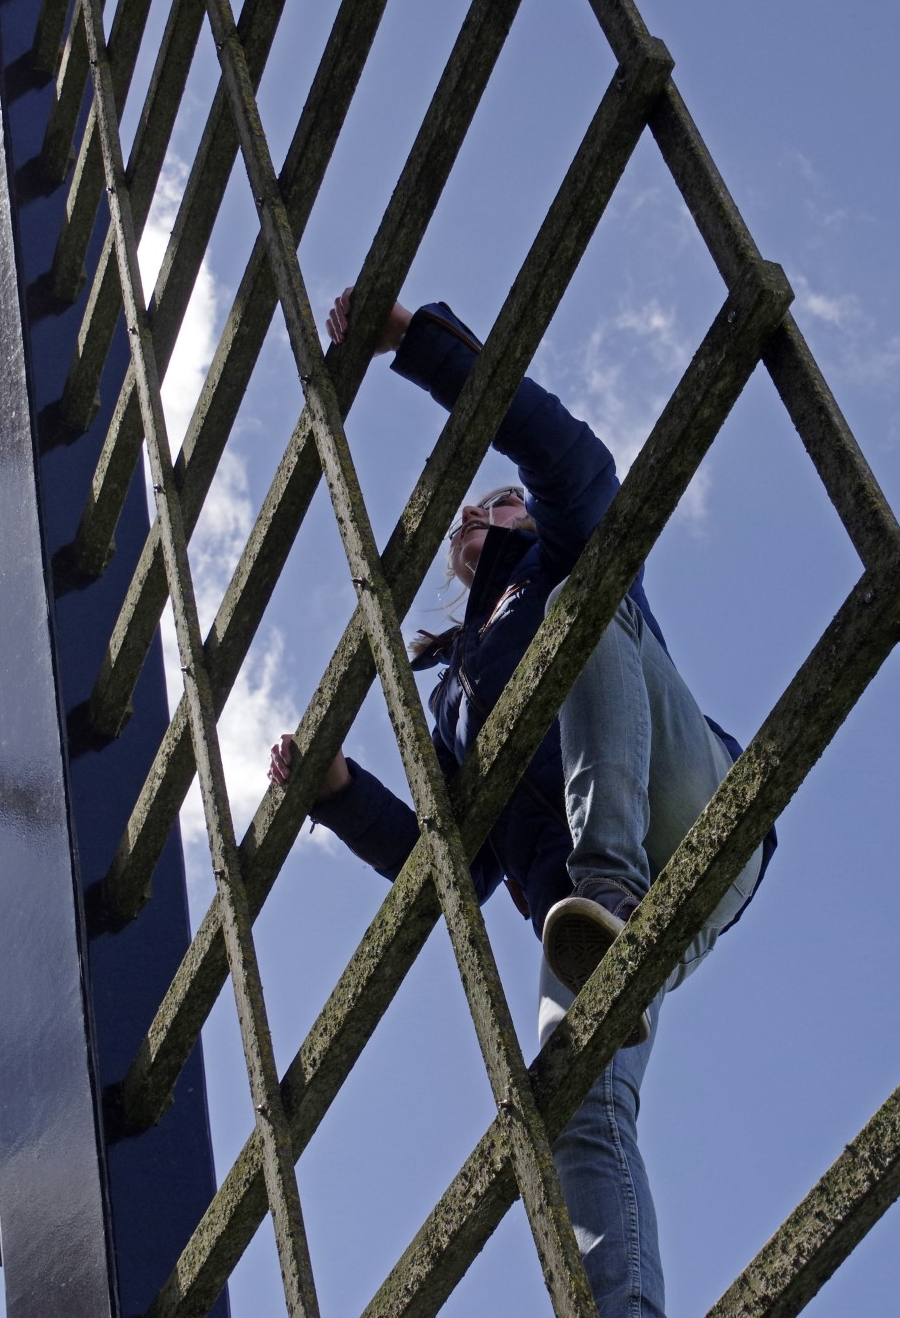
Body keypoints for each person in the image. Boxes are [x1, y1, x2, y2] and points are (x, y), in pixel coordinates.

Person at [269, 289, 771, 1318]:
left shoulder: (556, 547)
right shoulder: (454, 704)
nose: (475, 518)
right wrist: (338, 795)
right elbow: (448, 859)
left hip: (684, 807)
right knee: (574, 1102)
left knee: (588, 597)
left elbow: (567, 458)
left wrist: (425, 348)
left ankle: (612, 896)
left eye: (492, 504)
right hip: (588, 901)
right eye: (471, 516)